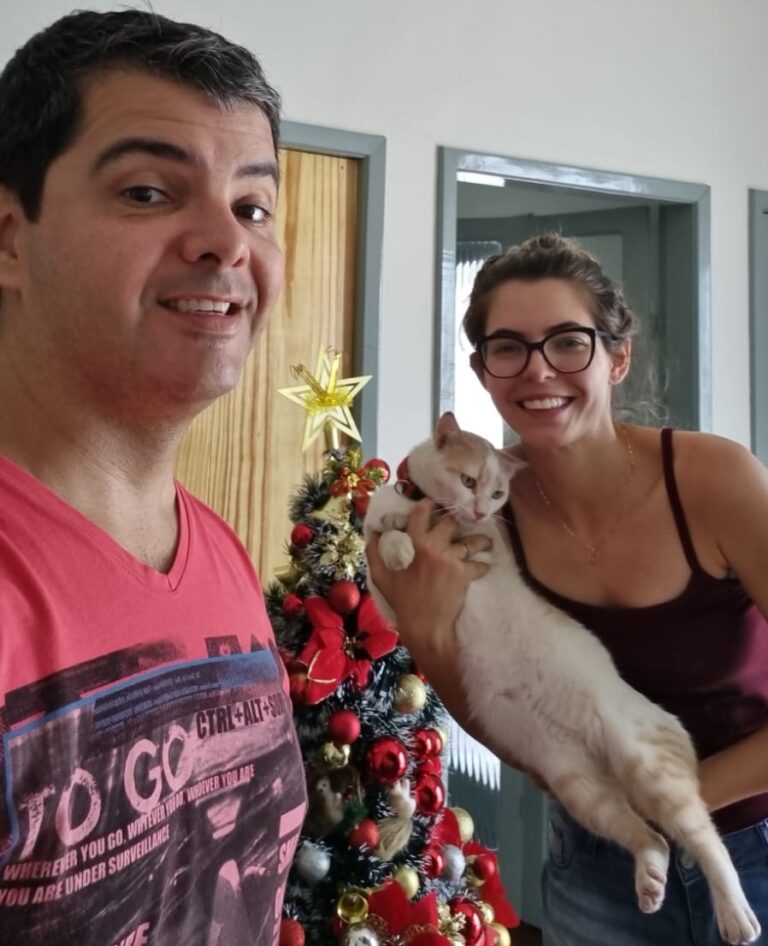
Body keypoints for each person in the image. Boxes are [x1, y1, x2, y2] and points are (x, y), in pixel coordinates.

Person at [367, 233, 768, 946]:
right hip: (597, 866)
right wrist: (425, 631)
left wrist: (674, 807)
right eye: (508, 348)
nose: (538, 369)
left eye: (568, 342)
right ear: (483, 372)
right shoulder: (478, 508)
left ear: (618, 358)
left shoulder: (715, 480)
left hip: (756, 845)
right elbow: (504, 713)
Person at [0, 10, 306, 945]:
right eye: (146, 192)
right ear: (8, 238)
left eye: (252, 207)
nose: (227, 241)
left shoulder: (215, 551)